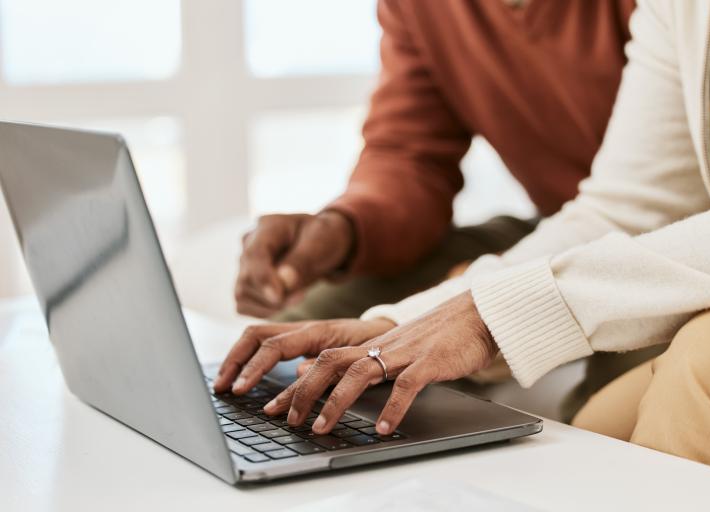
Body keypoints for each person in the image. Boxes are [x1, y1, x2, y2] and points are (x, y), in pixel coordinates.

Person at [216, 0, 710, 480]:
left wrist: (498, 313)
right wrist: (403, 319)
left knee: (704, 365)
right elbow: (629, 203)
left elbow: (673, 217)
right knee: (592, 443)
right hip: (596, 226)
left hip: (705, 250)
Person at [235, 0, 648, 421]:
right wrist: (343, 228)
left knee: (623, 398)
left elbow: (657, 196)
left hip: (665, 233)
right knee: (317, 322)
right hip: (561, 223)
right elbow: (409, 152)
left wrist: (485, 289)